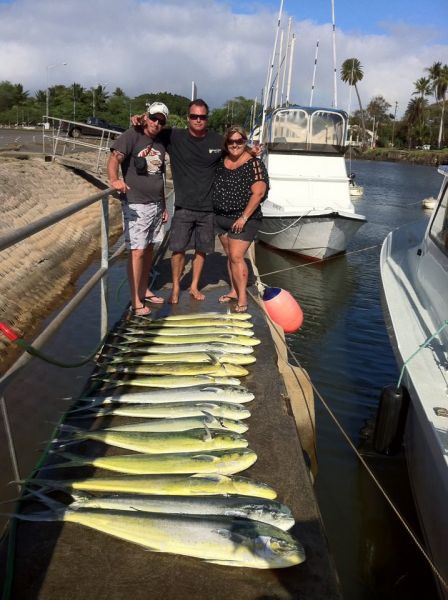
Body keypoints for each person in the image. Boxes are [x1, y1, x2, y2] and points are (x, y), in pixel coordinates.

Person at [133, 99, 223, 304]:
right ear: (187, 118)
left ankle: (193, 286)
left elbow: (236, 152)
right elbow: (150, 128)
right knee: (178, 249)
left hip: (208, 207)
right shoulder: (173, 136)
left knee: (202, 250)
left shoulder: (218, 141)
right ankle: (175, 288)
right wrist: (138, 119)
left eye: (202, 117)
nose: (198, 120)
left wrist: (251, 152)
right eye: (194, 116)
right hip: (183, 206)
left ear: (207, 119)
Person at [107, 102, 169, 316]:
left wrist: (163, 205)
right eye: (153, 118)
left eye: (161, 121)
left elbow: (159, 175)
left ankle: (144, 289)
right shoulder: (131, 135)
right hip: (136, 203)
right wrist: (114, 179)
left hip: (156, 204)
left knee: (149, 248)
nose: (156, 123)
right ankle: (135, 301)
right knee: (137, 251)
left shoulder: (160, 142)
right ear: (147, 117)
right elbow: (115, 158)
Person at [213, 126, 269, 312]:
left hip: (244, 218)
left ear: (245, 142)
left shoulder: (254, 164)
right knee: (230, 256)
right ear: (226, 143)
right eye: (231, 141)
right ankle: (233, 291)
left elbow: (259, 192)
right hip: (221, 217)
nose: (235, 144)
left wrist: (244, 217)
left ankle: (243, 299)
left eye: (239, 141)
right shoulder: (221, 160)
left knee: (237, 257)